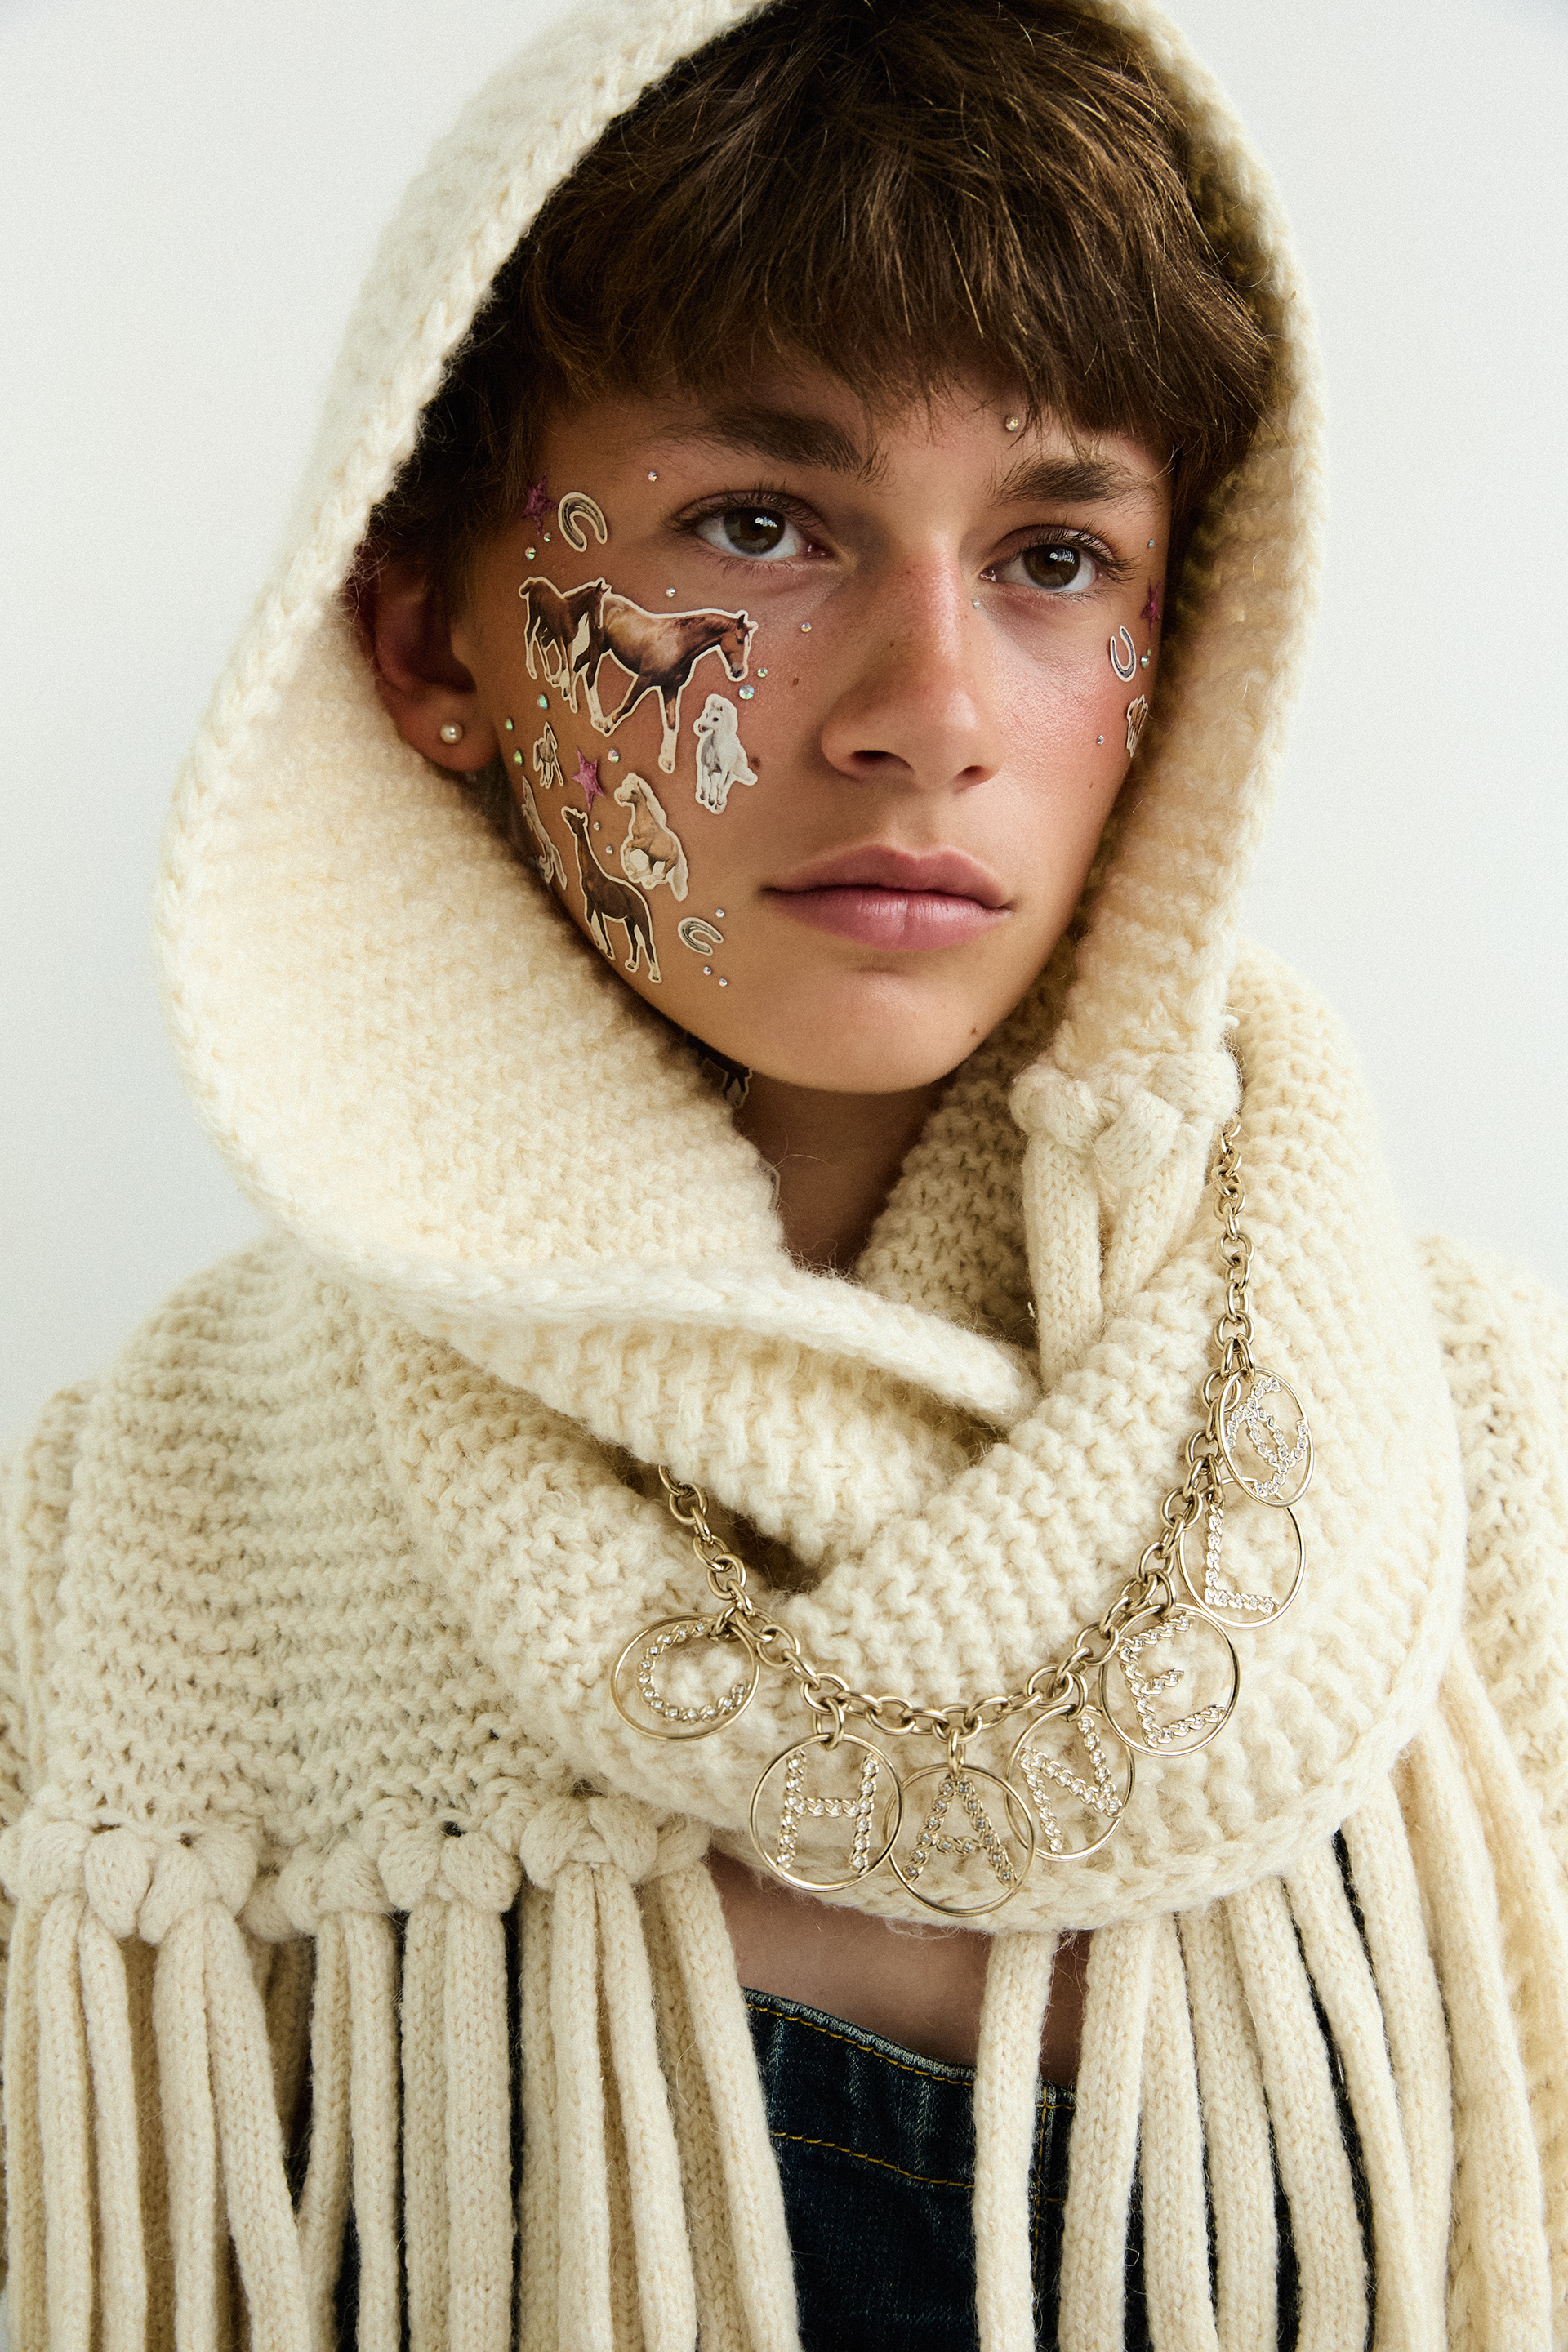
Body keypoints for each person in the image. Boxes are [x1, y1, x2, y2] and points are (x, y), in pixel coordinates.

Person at [2, 0, 1563, 2345]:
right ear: (426, 636)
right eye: (760, 524)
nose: (929, 710)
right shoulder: (145, 1534)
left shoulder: (1475, 1448)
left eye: (1056, 554)